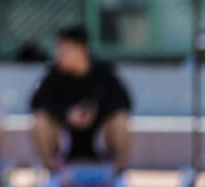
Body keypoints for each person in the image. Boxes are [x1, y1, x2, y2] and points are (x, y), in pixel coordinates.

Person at [30, 25, 132, 175]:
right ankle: (52, 173)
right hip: (65, 139)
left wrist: (96, 111)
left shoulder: (103, 73)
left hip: (99, 138)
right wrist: (67, 113)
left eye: (64, 51)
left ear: (82, 49)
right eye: (58, 51)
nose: (59, 55)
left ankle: (118, 175)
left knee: (121, 120)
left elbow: (125, 102)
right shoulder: (54, 75)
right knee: (40, 121)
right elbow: (36, 103)